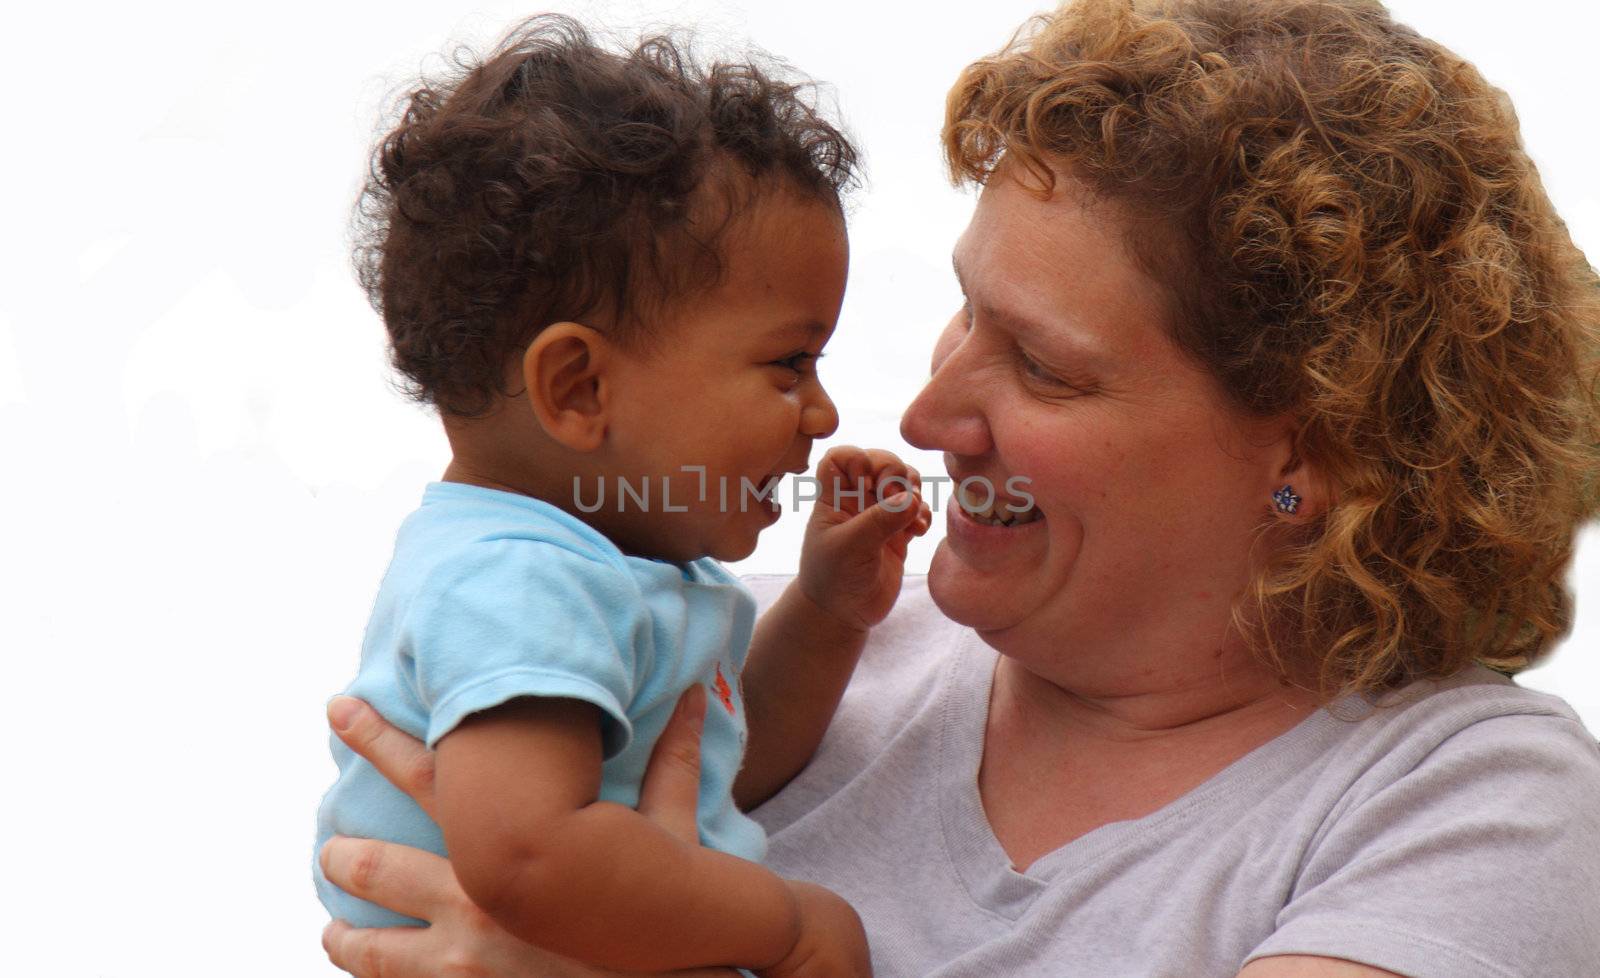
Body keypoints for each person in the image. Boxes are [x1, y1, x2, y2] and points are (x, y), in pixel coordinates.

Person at [317, 1, 1600, 975]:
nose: (926, 415)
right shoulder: (748, 638)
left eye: (1040, 364)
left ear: (1306, 459)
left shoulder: (1462, 807)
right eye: (964, 312)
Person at [312, 15, 933, 978]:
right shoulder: (519, 580)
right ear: (580, 389)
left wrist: (825, 610)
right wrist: (788, 927)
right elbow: (526, 853)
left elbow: (721, 758)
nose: (822, 413)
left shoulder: (603, 570)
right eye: (788, 363)